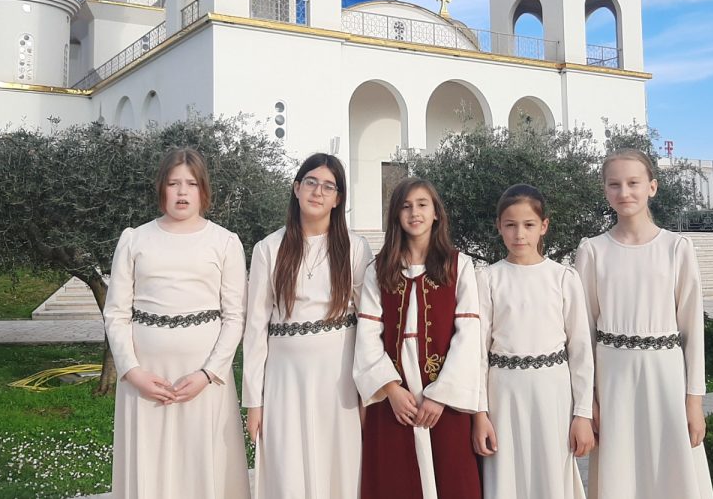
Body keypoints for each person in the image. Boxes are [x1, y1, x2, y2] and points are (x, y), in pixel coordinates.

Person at [102, 148, 250, 499]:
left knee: (201, 467)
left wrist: (208, 374)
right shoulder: (134, 239)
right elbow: (116, 313)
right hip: (145, 378)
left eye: (191, 184)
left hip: (203, 381)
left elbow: (235, 317)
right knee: (148, 466)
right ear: (161, 188)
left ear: (203, 190)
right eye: (173, 183)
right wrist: (132, 371)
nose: (182, 192)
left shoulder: (225, 242)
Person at [576, 149, 713, 499]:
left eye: (633, 183)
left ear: (652, 187)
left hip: (666, 379)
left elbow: (692, 331)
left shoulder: (677, 248)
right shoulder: (592, 251)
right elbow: (582, 334)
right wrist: (587, 401)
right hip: (613, 382)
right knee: (620, 473)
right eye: (615, 184)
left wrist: (694, 402)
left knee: (671, 472)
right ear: (605, 190)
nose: (624, 192)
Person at [243, 153, 373, 499]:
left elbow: (371, 324)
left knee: (340, 467)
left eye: (328, 186)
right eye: (311, 182)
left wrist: (368, 392)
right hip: (285, 379)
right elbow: (255, 328)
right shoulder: (269, 248)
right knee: (289, 467)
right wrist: (254, 401)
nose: (318, 191)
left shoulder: (355, 248)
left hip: (339, 378)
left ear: (338, 198)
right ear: (296, 188)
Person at [353, 178, 483, 499]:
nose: (415, 213)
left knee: (452, 478)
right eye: (406, 206)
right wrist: (390, 389)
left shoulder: (459, 265)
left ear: (436, 212)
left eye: (422, 204)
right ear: (396, 215)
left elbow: (468, 336)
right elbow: (368, 334)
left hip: (444, 398)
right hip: (394, 397)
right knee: (396, 480)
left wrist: (440, 395)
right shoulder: (378, 269)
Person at [472, 184, 594, 499]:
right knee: (506, 476)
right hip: (503, 396)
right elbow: (477, 354)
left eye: (528, 225)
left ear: (544, 226)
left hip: (552, 395)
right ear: (499, 226)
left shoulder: (563, 278)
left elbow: (581, 351)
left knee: (550, 475)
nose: (519, 234)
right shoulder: (487, 279)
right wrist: (480, 414)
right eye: (510, 225)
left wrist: (582, 414)